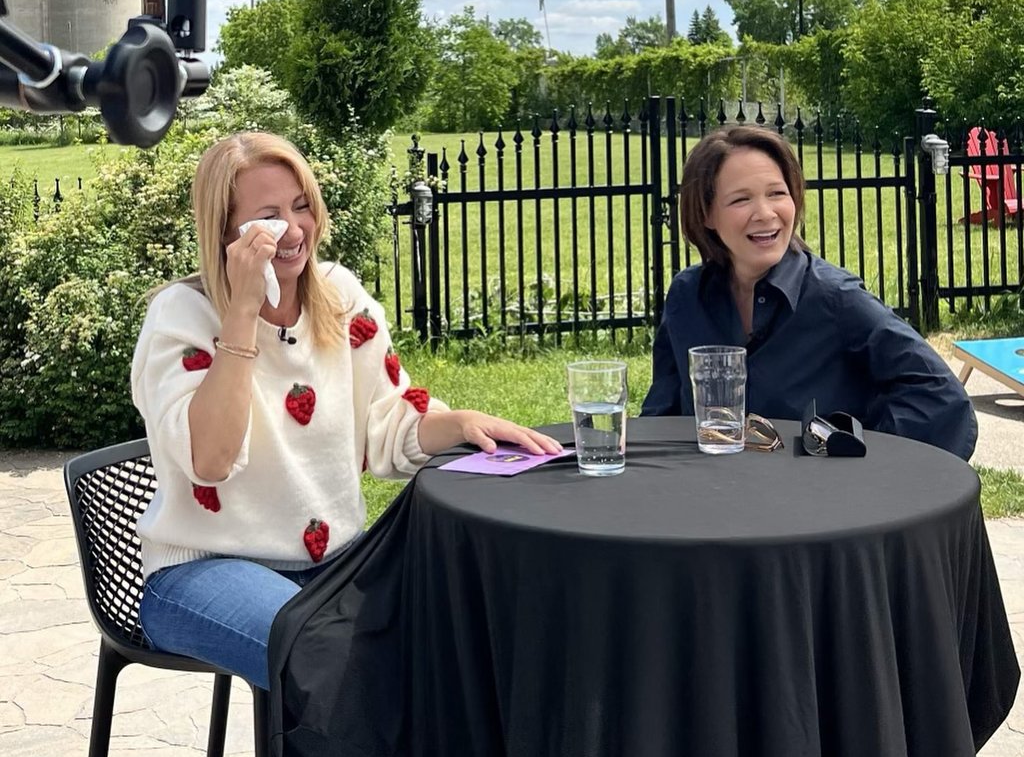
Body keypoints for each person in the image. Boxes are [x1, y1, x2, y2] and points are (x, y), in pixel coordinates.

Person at [131, 131, 561, 690]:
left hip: (339, 562)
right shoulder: (181, 316)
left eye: (301, 205)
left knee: (472, 630)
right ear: (227, 232)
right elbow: (209, 461)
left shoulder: (339, 296)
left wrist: (457, 423)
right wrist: (241, 312)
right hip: (205, 569)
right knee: (336, 660)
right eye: (269, 216)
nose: (294, 228)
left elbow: (387, 423)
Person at [641, 125, 978, 460]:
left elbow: (943, 401)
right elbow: (661, 420)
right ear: (706, 213)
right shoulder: (687, 298)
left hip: (817, 509)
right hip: (714, 501)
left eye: (777, 193)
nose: (766, 213)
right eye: (741, 199)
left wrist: (854, 458)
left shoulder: (835, 299)